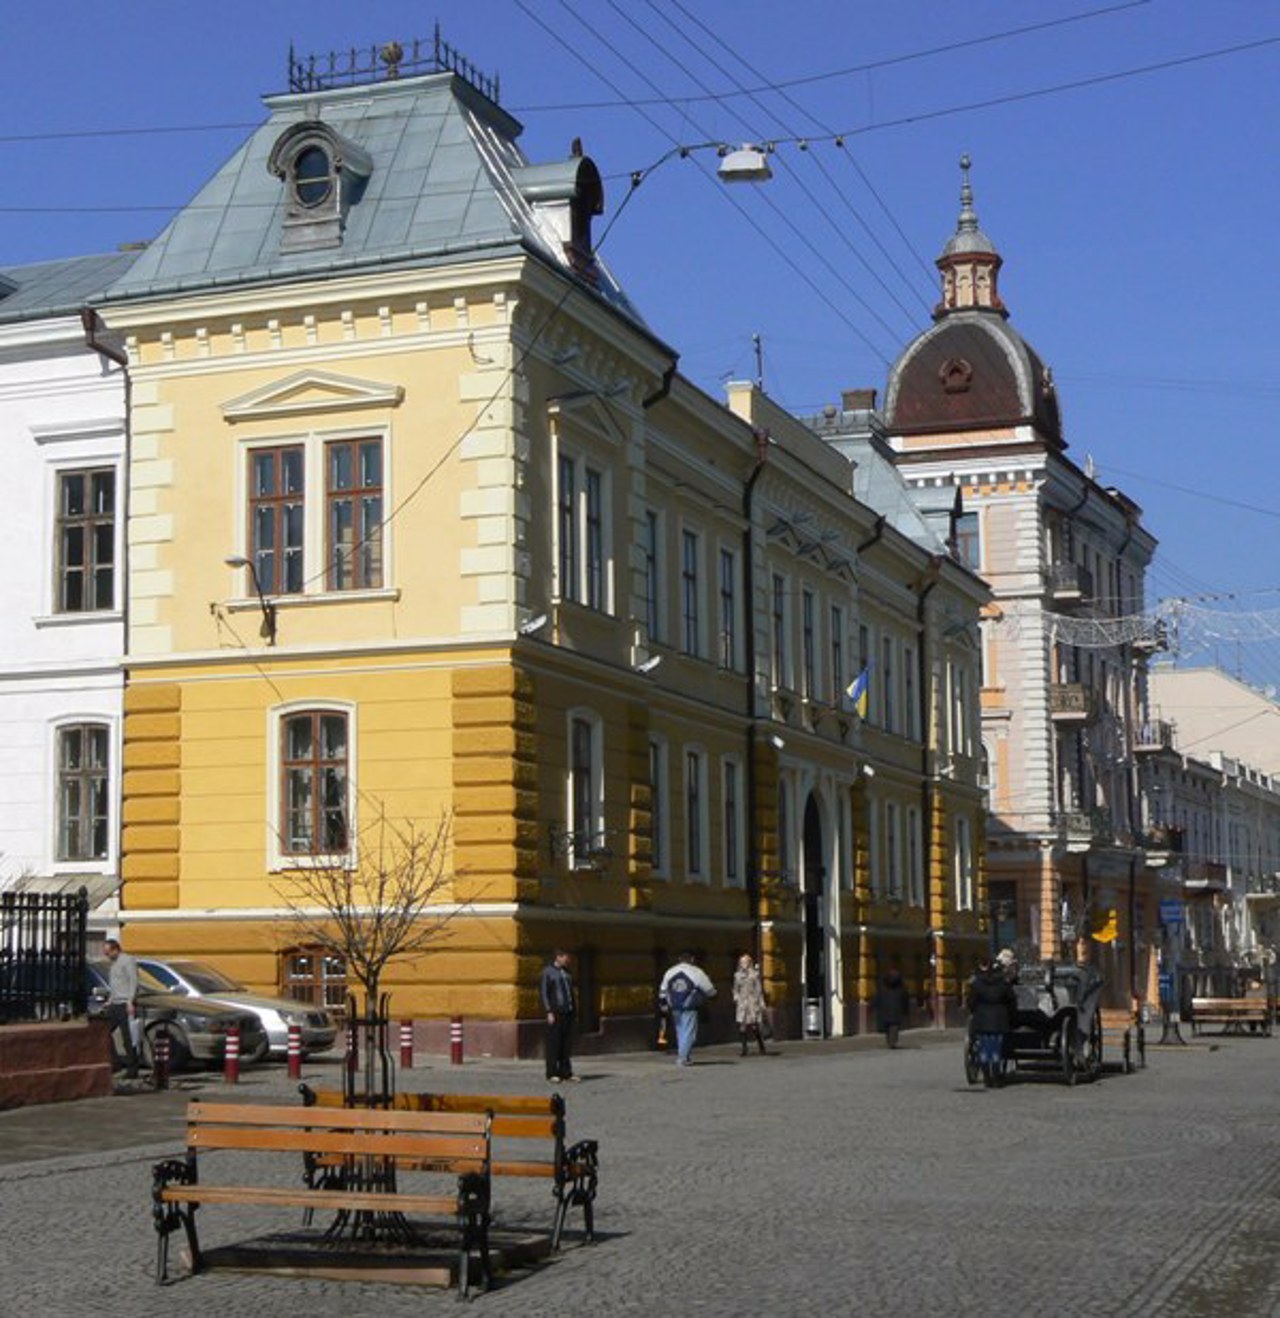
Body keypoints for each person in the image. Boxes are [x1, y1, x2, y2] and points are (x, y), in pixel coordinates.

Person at [966, 955, 1018, 1087]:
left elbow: (971, 1002)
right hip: (999, 1020)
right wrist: (1010, 1016)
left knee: (984, 1049)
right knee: (996, 1049)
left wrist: (975, 1011)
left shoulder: (976, 983)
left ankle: (987, 1078)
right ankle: (996, 1077)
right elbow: (1011, 1000)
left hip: (982, 1020)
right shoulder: (1003, 983)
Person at [659, 951, 716, 1067]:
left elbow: (663, 990)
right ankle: (683, 1058)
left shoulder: (670, 971)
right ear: (692, 959)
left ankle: (685, 1056)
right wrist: (714, 995)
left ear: (679, 959)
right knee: (689, 1033)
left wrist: (663, 1004)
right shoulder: (696, 972)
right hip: (689, 1006)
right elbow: (709, 989)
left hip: (674, 1006)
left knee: (680, 1033)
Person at [102, 936, 141, 1078]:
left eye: (108, 952)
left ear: (115, 950)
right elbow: (115, 985)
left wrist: (130, 1001)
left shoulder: (128, 960)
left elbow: (133, 981)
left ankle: (132, 1069)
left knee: (128, 1038)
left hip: (125, 1003)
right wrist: (110, 999)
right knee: (104, 1032)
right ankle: (115, 1062)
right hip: (115, 1003)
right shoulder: (113, 964)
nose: (107, 956)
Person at [539, 948, 578, 1083]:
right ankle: (551, 1073)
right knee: (554, 1043)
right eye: (566, 957)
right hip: (555, 1012)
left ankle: (566, 1072)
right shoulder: (548, 972)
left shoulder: (567, 972)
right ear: (558, 957)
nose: (568, 960)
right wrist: (548, 1011)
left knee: (566, 1044)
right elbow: (544, 993)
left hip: (568, 1011)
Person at [732, 953, 768, 1056]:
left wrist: (761, 1003)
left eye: (746, 962)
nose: (744, 964)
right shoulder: (737, 976)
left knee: (754, 1026)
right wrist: (736, 997)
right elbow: (735, 989)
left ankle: (761, 1047)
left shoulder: (754, 975)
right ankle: (744, 1049)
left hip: (753, 1002)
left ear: (749, 963)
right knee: (742, 1026)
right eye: (742, 962)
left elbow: (758, 990)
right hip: (742, 1003)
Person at [875, 967, 911, 1049]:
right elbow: (905, 1000)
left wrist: (873, 1007)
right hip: (896, 1011)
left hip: (885, 1011)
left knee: (888, 1027)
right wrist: (906, 1011)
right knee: (894, 1026)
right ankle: (893, 1041)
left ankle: (890, 1041)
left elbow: (877, 998)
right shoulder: (902, 989)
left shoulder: (883, 988)